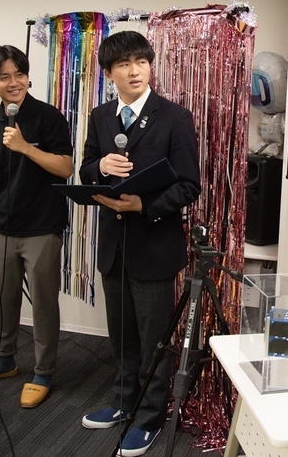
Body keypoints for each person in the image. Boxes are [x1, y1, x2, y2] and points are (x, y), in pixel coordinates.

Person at [78, 31, 201, 457]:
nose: (135, 71)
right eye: (124, 64)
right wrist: (100, 165)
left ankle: (149, 417)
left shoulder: (175, 117)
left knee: (154, 341)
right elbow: (85, 169)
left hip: (154, 246)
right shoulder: (100, 116)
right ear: (108, 72)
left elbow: (189, 185)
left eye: (142, 62)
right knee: (122, 337)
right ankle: (122, 402)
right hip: (113, 248)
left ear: (150, 66)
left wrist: (143, 205)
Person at [0, 45, 73, 409]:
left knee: (43, 303)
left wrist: (25, 147)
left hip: (41, 226)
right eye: (4, 77)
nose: (14, 83)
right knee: (2, 298)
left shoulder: (48, 117)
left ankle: (43, 372)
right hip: (2, 226)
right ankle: (3, 359)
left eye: (20, 75)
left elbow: (65, 168)